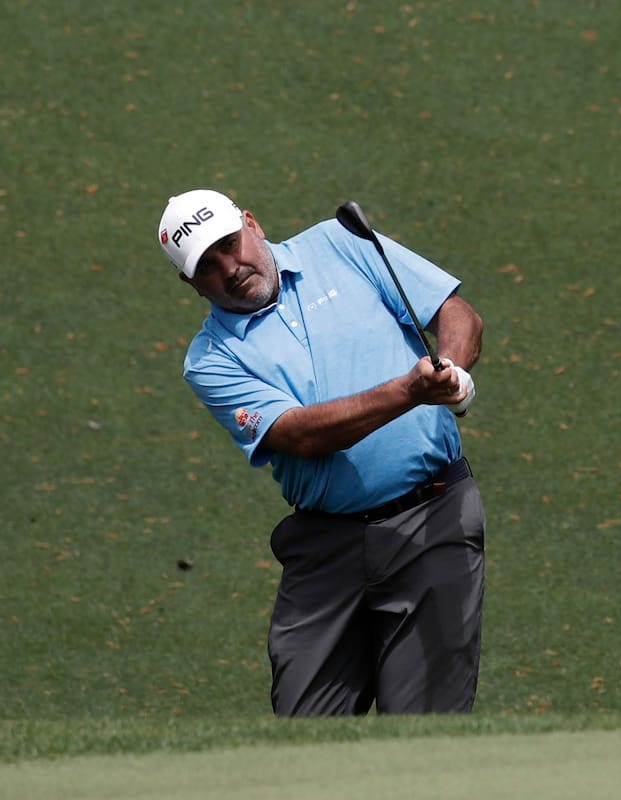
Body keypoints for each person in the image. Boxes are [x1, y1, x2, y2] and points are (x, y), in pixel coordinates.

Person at [157, 189, 486, 716]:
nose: (231, 267)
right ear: (190, 284)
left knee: (426, 736)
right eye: (208, 266)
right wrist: (412, 389)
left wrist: (451, 370)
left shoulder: (341, 242)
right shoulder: (210, 362)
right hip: (326, 549)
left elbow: (455, 312)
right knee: (305, 736)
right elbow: (303, 436)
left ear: (252, 223)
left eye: (229, 243)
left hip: (432, 522)